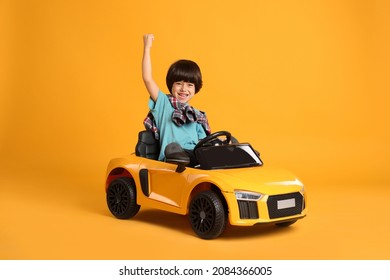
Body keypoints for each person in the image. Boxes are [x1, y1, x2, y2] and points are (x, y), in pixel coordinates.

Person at [142, 34, 210, 167]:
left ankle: (237, 153)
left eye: (190, 85)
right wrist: (147, 48)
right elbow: (147, 79)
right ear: (171, 85)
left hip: (194, 160)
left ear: (195, 88)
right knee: (175, 149)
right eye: (179, 83)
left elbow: (203, 142)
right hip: (172, 160)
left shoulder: (197, 115)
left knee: (212, 149)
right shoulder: (164, 104)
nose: (184, 89)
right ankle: (178, 155)